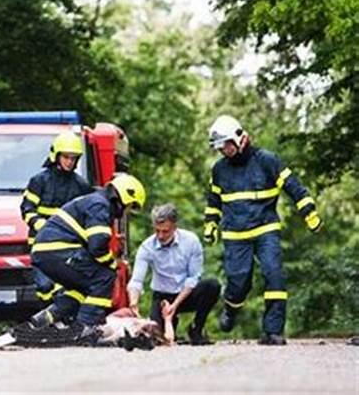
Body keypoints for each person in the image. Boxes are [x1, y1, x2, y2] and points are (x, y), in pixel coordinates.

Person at [205, 115, 322, 345]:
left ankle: (273, 331)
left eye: (227, 144)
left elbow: (293, 186)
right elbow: (214, 201)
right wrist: (210, 224)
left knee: (274, 274)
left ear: (240, 138)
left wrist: (309, 211)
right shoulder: (219, 170)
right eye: (220, 147)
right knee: (239, 284)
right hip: (235, 234)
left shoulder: (267, 160)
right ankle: (231, 307)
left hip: (265, 229)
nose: (224, 150)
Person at [28, 173, 146, 339]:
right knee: (105, 276)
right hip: (58, 249)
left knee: (83, 287)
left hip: (48, 252)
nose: (126, 211)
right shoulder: (100, 206)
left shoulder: (94, 201)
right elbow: (97, 245)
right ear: (124, 198)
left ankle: (49, 316)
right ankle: (86, 327)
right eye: (129, 206)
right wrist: (112, 263)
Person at [127, 203, 220, 345]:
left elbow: (193, 278)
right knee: (157, 338)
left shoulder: (191, 241)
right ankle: (171, 324)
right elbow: (137, 280)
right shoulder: (147, 247)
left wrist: (174, 306)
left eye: (165, 231)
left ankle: (196, 329)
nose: (160, 236)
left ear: (175, 227)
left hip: (186, 294)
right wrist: (134, 302)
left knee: (212, 286)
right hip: (162, 296)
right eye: (157, 231)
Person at [20, 131, 92, 303]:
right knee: (44, 286)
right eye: (66, 157)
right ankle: (47, 318)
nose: (69, 162)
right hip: (40, 243)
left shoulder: (81, 185)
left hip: (68, 246)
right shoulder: (39, 181)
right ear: (56, 156)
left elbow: (86, 216)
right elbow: (27, 208)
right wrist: (40, 225)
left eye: (73, 158)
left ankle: (61, 322)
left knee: (65, 288)